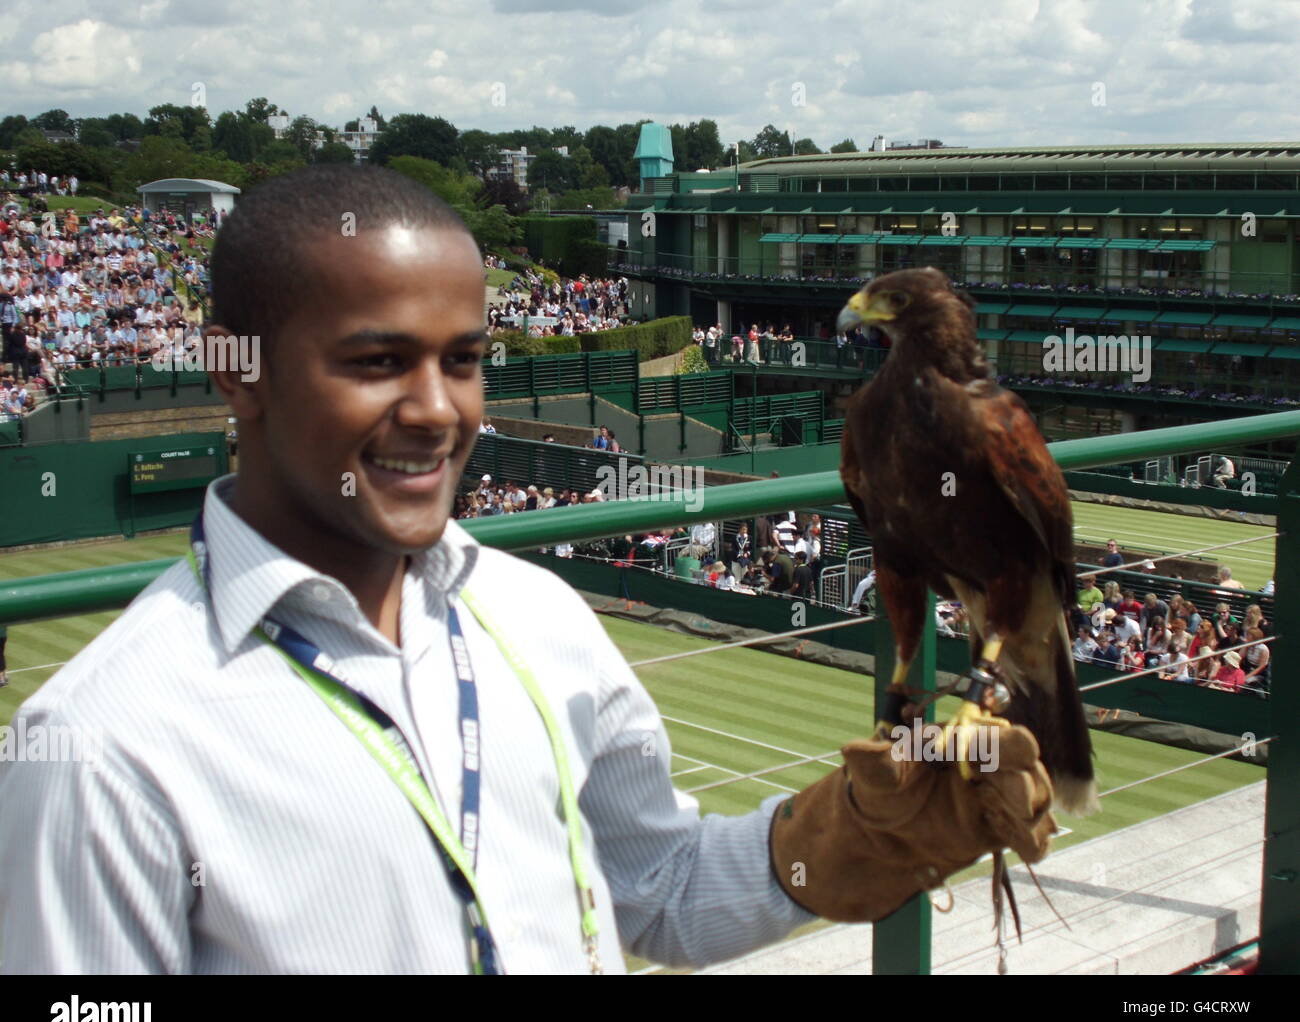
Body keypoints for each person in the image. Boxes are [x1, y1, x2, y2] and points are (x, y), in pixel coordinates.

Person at [0, 165, 1051, 976]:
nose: (436, 409)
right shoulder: (93, 747)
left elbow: (658, 888)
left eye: (462, 359)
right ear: (237, 369)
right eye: (377, 361)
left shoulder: (538, 613)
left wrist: (857, 834)